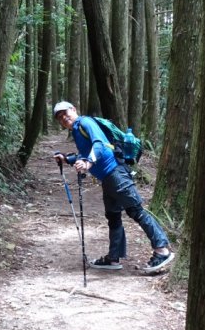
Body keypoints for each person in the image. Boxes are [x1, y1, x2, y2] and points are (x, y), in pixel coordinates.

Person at [53, 100, 174, 274]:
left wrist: (88, 162)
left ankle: (162, 250)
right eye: (59, 117)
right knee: (113, 215)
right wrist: (68, 159)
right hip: (108, 179)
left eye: (65, 113)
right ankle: (113, 257)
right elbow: (86, 153)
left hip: (116, 174)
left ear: (74, 109)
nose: (64, 118)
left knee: (136, 211)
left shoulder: (85, 122)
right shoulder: (77, 131)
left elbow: (99, 145)